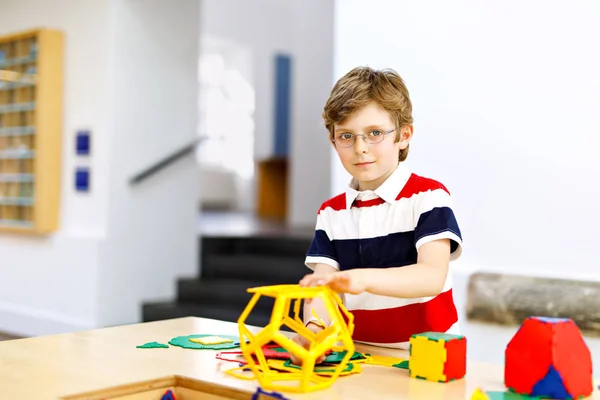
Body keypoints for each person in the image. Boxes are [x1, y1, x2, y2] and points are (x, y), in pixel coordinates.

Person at [290, 66, 463, 365]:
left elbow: (431, 276)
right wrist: (315, 328)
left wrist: (361, 279)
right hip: (357, 356)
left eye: (374, 133)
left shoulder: (429, 198)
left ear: (404, 135)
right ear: (333, 142)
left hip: (426, 359)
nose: (360, 148)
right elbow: (323, 289)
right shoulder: (331, 213)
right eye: (346, 135)